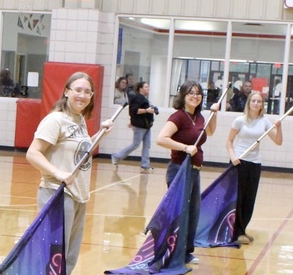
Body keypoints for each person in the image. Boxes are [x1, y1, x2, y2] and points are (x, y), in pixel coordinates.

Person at [25, 72, 114, 275]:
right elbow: (33, 153)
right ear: (67, 91)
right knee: (55, 254)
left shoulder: (79, 119)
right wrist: (57, 173)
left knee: (69, 256)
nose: (82, 95)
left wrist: (100, 135)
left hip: (78, 195)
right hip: (57, 193)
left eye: (87, 92)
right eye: (78, 90)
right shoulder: (56, 120)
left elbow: (80, 151)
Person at [156, 80, 219, 265]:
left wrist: (214, 114)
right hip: (179, 170)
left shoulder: (198, 117)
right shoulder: (178, 117)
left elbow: (210, 131)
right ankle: (174, 250)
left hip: (195, 170)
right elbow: (161, 139)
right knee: (180, 213)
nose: (195, 96)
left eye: (198, 93)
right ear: (183, 96)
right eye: (191, 93)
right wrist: (185, 147)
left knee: (193, 212)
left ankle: (186, 252)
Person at [226, 90, 281, 245]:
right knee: (238, 198)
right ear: (248, 103)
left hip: (255, 164)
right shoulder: (239, 120)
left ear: (262, 104)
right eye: (253, 101)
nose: (256, 103)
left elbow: (278, 141)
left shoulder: (265, 121)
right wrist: (233, 157)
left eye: (259, 101)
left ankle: (242, 230)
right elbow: (229, 142)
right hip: (239, 162)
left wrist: (279, 126)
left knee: (249, 199)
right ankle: (236, 232)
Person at [111, 80, 157, 173]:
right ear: (141, 89)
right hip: (140, 125)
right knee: (135, 144)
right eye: (146, 87)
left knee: (147, 145)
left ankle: (145, 165)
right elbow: (134, 110)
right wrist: (147, 110)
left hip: (146, 125)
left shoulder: (144, 98)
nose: (148, 88)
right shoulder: (138, 98)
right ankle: (117, 156)